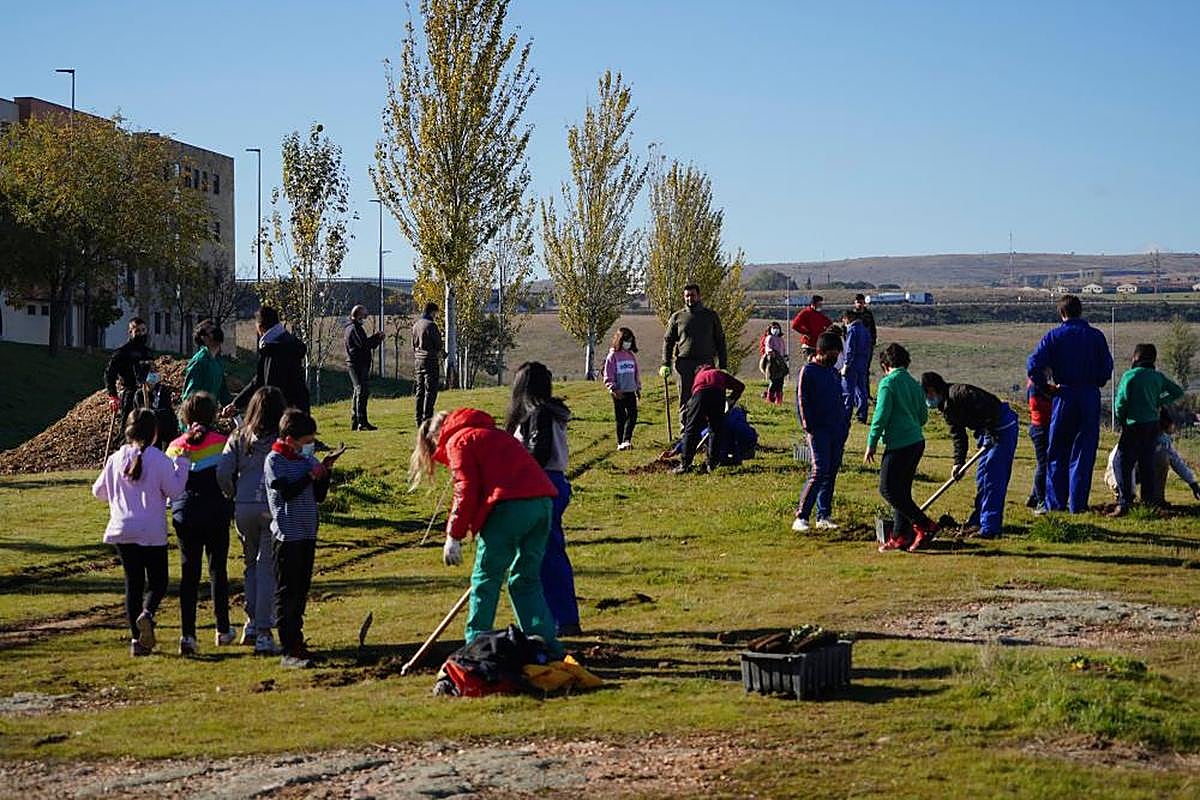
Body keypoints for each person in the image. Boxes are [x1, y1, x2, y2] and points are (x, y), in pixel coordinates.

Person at [409, 409, 563, 659]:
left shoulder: (458, 441)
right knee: (526, 580)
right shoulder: (491, 433)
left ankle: (476, 646)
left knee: (485, 581)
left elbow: (465, 489)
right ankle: (546, 646)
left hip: (509, 507)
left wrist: (453, 536)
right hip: (542, 503)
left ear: (437, 436)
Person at [91, 409, 189, 656]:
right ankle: (147, 613)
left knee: (132, 584)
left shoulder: (115, 459)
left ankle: (137, 642)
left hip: (121, 529)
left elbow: (98, 492)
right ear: (155, 433)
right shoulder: (159, 459)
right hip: (151, 530)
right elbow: (175, 491)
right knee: (158, 581)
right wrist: (183, 465)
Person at [505, 362, 581, 637]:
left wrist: (518, 473)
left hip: (542, 484)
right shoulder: (549, 412)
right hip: (553, 483)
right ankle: (556, 617)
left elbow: (540, 449)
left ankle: (562, 619)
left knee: (546, 554)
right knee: (546, 553)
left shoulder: (537, 414)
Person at [1026, 294, 1113, 513]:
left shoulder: (1054, 336)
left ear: (1062, 313)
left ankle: (1055, 503)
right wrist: (1097, 382)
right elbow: (1106, 368)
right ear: (1080, 311)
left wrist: (1044, 387)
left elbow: (1033, 364)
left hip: (1064, 395)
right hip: (1089, 396)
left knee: (1057, 451)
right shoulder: (1096, 336)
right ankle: (1078, 504)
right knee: (1083, 452)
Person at [217, 386, 287, 656]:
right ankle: (264, 631)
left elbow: (223, 471)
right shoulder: (280, 438)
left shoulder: (239, 436)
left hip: (244, 505)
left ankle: (250, 622)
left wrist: (233, 494)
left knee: (250, 565)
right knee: (267, 567)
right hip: (271, 506)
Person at [265, 409, 337, 668]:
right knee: (287, 593)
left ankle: (297, 640)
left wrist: (323, 474)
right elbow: (285, 493)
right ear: (289, 438)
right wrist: (309, 476)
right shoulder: (275, 460)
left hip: (307, 533)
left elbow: (318, 496)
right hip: (287, 536)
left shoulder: (306, 460)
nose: (310, 446)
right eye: (306, 441)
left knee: (301, 591)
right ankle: (287, 647)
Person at [166, 392, 235, 655]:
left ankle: (188, 635)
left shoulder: (174, 446)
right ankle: (223, 629)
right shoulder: (222, 443)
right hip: (216, 512)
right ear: (213, 414)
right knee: (218, 570)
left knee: (189, 575)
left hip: (185, 515)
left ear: (185, 416)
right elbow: (231, 476)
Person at [920, 372, 1020, 539]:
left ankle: (990, 528)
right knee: (982, 478)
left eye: (926, 395)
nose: (927, 400)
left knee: (992, 478)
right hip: (987, 433)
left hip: (1002, 427)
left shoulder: (960, 393)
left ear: (931, 390)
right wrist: (958, 463)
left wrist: (989, 432)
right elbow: (958, 436)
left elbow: (991, 406)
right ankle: (977, 521)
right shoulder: (945, 407)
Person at [866, 344, 938, 552]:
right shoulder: (914, 384)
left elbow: (881, 415)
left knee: (887, 488)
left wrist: (872, 442)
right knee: (902, 491)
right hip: (917, 441)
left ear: (884, 365)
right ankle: (899, 535)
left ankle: (925, 525)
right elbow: (923, 417)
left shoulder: (888, 383)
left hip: (899, 444)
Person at [1109, 343, 1185, 516]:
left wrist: (1122, 420)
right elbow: (1177, 391)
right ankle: (1149, 502)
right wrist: (1158, 401)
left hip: (1133, 424)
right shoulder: (1157, 377)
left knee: (1121, 462)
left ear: (1136, 358)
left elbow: (1120, 404)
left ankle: (1124, 502)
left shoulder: (1130, 376)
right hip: (1152, 425)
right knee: (1147, 462)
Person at [793, 332, 849, 532]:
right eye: (832, 354)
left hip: (836, 430)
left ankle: (823, 515)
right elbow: (802, 400)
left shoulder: (833, 373)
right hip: (818, 430)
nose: (835, 358)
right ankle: (801, 516)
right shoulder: (808, 371)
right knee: (819, 471)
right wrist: (808, 426)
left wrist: (844, 426)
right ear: (821, 352)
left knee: (831, 473)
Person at [225, 306, 310, 418]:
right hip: (298, 409)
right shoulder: (288, 342)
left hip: (282, 415)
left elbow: (268, 385)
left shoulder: (274, 348)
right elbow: (259, 379)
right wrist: (237, 403)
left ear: (260, 326)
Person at [1105, 409, 1200, 506]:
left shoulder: (1162, 440)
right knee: (1127, 493)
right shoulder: (1135, 436)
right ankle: (1123, 498)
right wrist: (1130, 493)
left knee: (1163, 457)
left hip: (1138, 471)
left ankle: (1156, 499)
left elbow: (1176, 461)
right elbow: (1123, 464)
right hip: (1115, 475)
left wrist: (1192, 483)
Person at [661, 284, 727, 420]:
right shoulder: (677, 317)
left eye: (692, 295)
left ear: (699, 296)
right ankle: (685, 431)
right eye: (687, 295)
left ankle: (703, 431)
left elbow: (720, 341)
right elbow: (668, 341)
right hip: (684, 364)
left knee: (705, 396)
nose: (689, 298)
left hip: (706, 364)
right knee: (685, 398)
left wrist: (723, 366)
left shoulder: (711, 316)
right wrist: (665, 363)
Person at [674, 363, 745, 475]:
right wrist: (731, 399)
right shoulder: (719, 373)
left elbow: (694, 403)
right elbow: (741, 386)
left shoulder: (698, 377)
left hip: (700, 394)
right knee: (715, 430)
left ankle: (684, 464)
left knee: (691, 430)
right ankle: (712, 464)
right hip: (718, 394)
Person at [104, 317, 154, 427]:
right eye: (137, 331)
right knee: (128, 428)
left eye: (143, 330)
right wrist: (113, 396)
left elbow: (153, 371)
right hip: (130, 395)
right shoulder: (122, 352)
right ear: (130, 332)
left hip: (147, 395)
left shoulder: (148, 353)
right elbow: (109, 374)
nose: (141, 334)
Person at [344, 305, 385, 431]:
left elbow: (364, 344)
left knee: (358, 391)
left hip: (358, 363)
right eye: (364, 315)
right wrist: (376, 338)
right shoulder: (354, 329)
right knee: (361, 391)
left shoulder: (353, 328)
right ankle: (361, 421)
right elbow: (364, 345)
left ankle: (356, 421)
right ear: (358, 315)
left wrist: (375, 339)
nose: (365, 318)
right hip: (357, 364)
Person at [602, 327, 641, 450]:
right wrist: (613, 389)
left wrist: (638, 388)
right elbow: (608, 375)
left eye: (630, 340)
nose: (628, 343)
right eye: (626, 340)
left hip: (630, 391)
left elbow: (635, 373)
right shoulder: (612, 356)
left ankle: (626, 439)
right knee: (621, 418)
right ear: (620, 340)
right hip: (618, 392)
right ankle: (620, 443)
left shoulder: (631, 356)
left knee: (633, 415)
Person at [182, 320, 231, 408]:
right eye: (211, 330)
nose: (216, 331)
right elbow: (190, 396)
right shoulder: (199, 361)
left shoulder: (218, 362)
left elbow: (223, 392)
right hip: (197, 416)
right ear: (204, 338)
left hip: (210, 416)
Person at [412, 302, 444, 427]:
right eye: (436, 313)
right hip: (430, 359)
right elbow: (438, 345)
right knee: (430, 390)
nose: (436, 315)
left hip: (418, 360)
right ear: (432, 312)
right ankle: (427, 418)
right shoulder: (431, 325)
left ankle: (418, 418)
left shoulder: (416, 325)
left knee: (420, 390)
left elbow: (413, 343)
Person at [1026, 376, 1053, 513]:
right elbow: (1039, 404)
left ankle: (1034, 496)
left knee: (1042, 463)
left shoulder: (1034, 384)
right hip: (1041, 427)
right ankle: (1041, 501)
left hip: (1038, 426)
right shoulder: (1036, 385)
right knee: (1043, 464)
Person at [842, 309, 872, 425]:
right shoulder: (865, 330)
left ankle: (846, 415)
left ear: (848, 318)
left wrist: (846, 364)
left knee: (848, 391)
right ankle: (862, 415)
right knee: (862, 390)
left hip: (853, 364)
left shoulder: (852, 330)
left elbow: (850, 349)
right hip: (863, 363)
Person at [759, 322, 787, 404]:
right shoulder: (769, 338)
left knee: (780, 382)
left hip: (780, 362)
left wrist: (784, 356)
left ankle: (779, 400)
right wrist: (771, 352)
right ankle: (770, 398)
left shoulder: (781, 340)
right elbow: (767, 347)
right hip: (772, 361)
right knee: (774, 381)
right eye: (774, 328)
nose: (776, 330)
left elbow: (783, 350)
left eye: (777, 328)